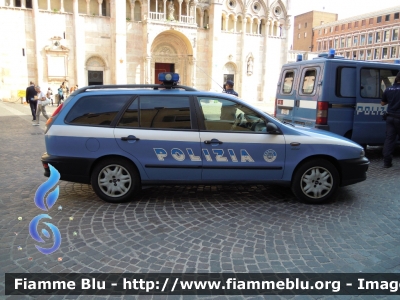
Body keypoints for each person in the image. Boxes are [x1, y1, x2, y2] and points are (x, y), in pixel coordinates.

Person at [381, 71, 400, 168]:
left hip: (390, 117)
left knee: (389, 140)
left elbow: (383, 103)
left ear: (396, 78)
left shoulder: (388, 89)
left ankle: (387, 162)